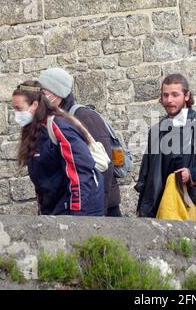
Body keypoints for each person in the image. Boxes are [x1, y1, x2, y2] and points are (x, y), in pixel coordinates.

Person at [135, 73, 196, 220]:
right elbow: (147, 175)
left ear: (187, 96)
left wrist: (193, 174)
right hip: (161, 211)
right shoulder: (157, 131)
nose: (169, 100)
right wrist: (141, 210)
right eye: (165, 95)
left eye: (175, 95)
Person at [11, 81, 104, 216]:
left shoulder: (58, 126)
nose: (16, 114)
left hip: (79, 207)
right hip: (56, 205)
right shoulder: (33, 130)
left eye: (19, 109)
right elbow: (42, 178)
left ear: (35, 105)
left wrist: (77, 212)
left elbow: (80, 171)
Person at [38, 68, 122, 217]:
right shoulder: (53, 120)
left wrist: (99, 211)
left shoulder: (84, 117)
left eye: (43, 93)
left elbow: (104, 166)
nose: (40, 98)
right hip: (73, 206)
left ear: (57, 93)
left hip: (99, 208)